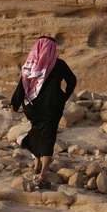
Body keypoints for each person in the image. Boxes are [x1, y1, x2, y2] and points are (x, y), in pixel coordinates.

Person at [10, 36, 77, 189]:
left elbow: (23, 83)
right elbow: (72, 80)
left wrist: (14, 102)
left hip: (33, 107)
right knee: (48, 134)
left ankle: (37, 164)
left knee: (36, 130)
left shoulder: (31, 64)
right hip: (52, 107)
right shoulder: (59, 64)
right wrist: (63, 96)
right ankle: (43, 175)